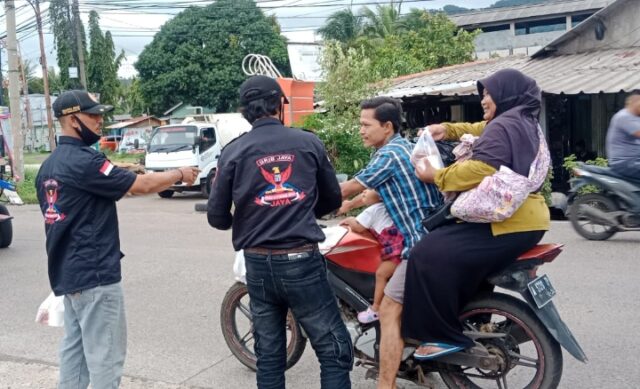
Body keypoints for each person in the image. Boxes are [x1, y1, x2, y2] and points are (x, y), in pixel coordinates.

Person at [35, 90, 199, 389]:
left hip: (68, 274)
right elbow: (140, 186)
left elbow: (111, 183)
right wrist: (179, 173)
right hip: (95, 276)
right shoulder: (86, 161)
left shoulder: (50, 166)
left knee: (77, 355)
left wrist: (130, 172)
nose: (100, 121)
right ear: (73, 120)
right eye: (93, 115)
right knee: (105, 361)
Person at [207, 75, 352, 389]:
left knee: (269, 356)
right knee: (333, 349)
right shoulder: (308, 142)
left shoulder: (232, 152)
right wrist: (297, 212)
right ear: (280, 105)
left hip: (257, 265)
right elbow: (332, 200)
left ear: (245, 111)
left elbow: (217, 217)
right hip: (303, 262)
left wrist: (252, 217)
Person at [405, 68, 550, 359]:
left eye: (488, 93)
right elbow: (480, 130)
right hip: (529, 219)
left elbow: (482, 168)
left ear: (506, 94)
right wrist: (447, 129)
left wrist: (437, 175)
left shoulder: (505, 124)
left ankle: (441, 336)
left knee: (427, 254)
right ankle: (476, 317)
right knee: (458, 256)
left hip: (506, 222)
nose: (483, 99)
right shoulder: (522, 122)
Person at [338, 96, 441, 389]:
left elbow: (351, 187)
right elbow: (373, 194)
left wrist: (307, 198)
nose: (361, 130)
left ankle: (386, 385)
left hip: (418, 244)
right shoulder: (401, 149)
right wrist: (349, 207)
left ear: (387, 126)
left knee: (387, 309)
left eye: (365, 124)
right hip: (431, 237)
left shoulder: (388, 156)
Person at [339, 189, 403, 324]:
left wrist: (349, 219)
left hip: (396, 252)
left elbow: (358, 227)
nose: (364, 192)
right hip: (402, 246)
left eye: (369, 190)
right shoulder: (389, 206)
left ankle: (375, 309)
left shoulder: (373, 210)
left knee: (381, 274)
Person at [606, 90, 640, 181]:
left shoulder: (635, 117)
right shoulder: (624, 117)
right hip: (626, 163)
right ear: (635, 102)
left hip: (633, 161)